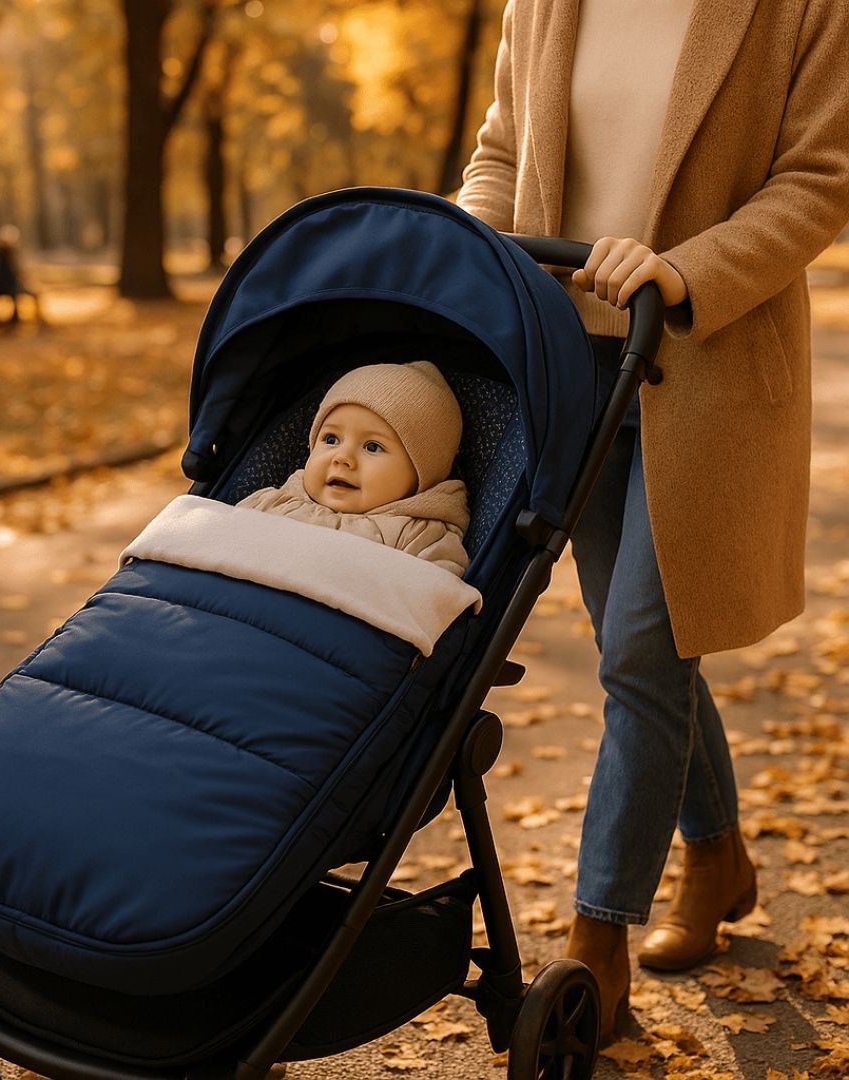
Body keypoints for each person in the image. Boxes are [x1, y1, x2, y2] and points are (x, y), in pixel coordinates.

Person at [456, 0, 849, 1043]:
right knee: (645, 651)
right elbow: (501, 151)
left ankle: (599, 938)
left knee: (639, 648)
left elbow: (820, 179)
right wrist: (471, 249)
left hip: (703, 355)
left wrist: (687, 271)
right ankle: (718, 856)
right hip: (568, 370)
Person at [239, 361, 470, 576]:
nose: (343, 458)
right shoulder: (271, 503)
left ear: (422, 474)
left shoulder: (420, 536)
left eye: (372, 447)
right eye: (331, 439)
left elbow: (436, 597)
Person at [0, 225, 41, 325]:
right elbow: (15, 274)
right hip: (4, 288)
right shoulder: (2, 259)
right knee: (17, 291)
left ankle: (16, 318)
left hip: (3, 287)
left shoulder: (0, 257)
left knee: (20, 292)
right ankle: (15, 319)